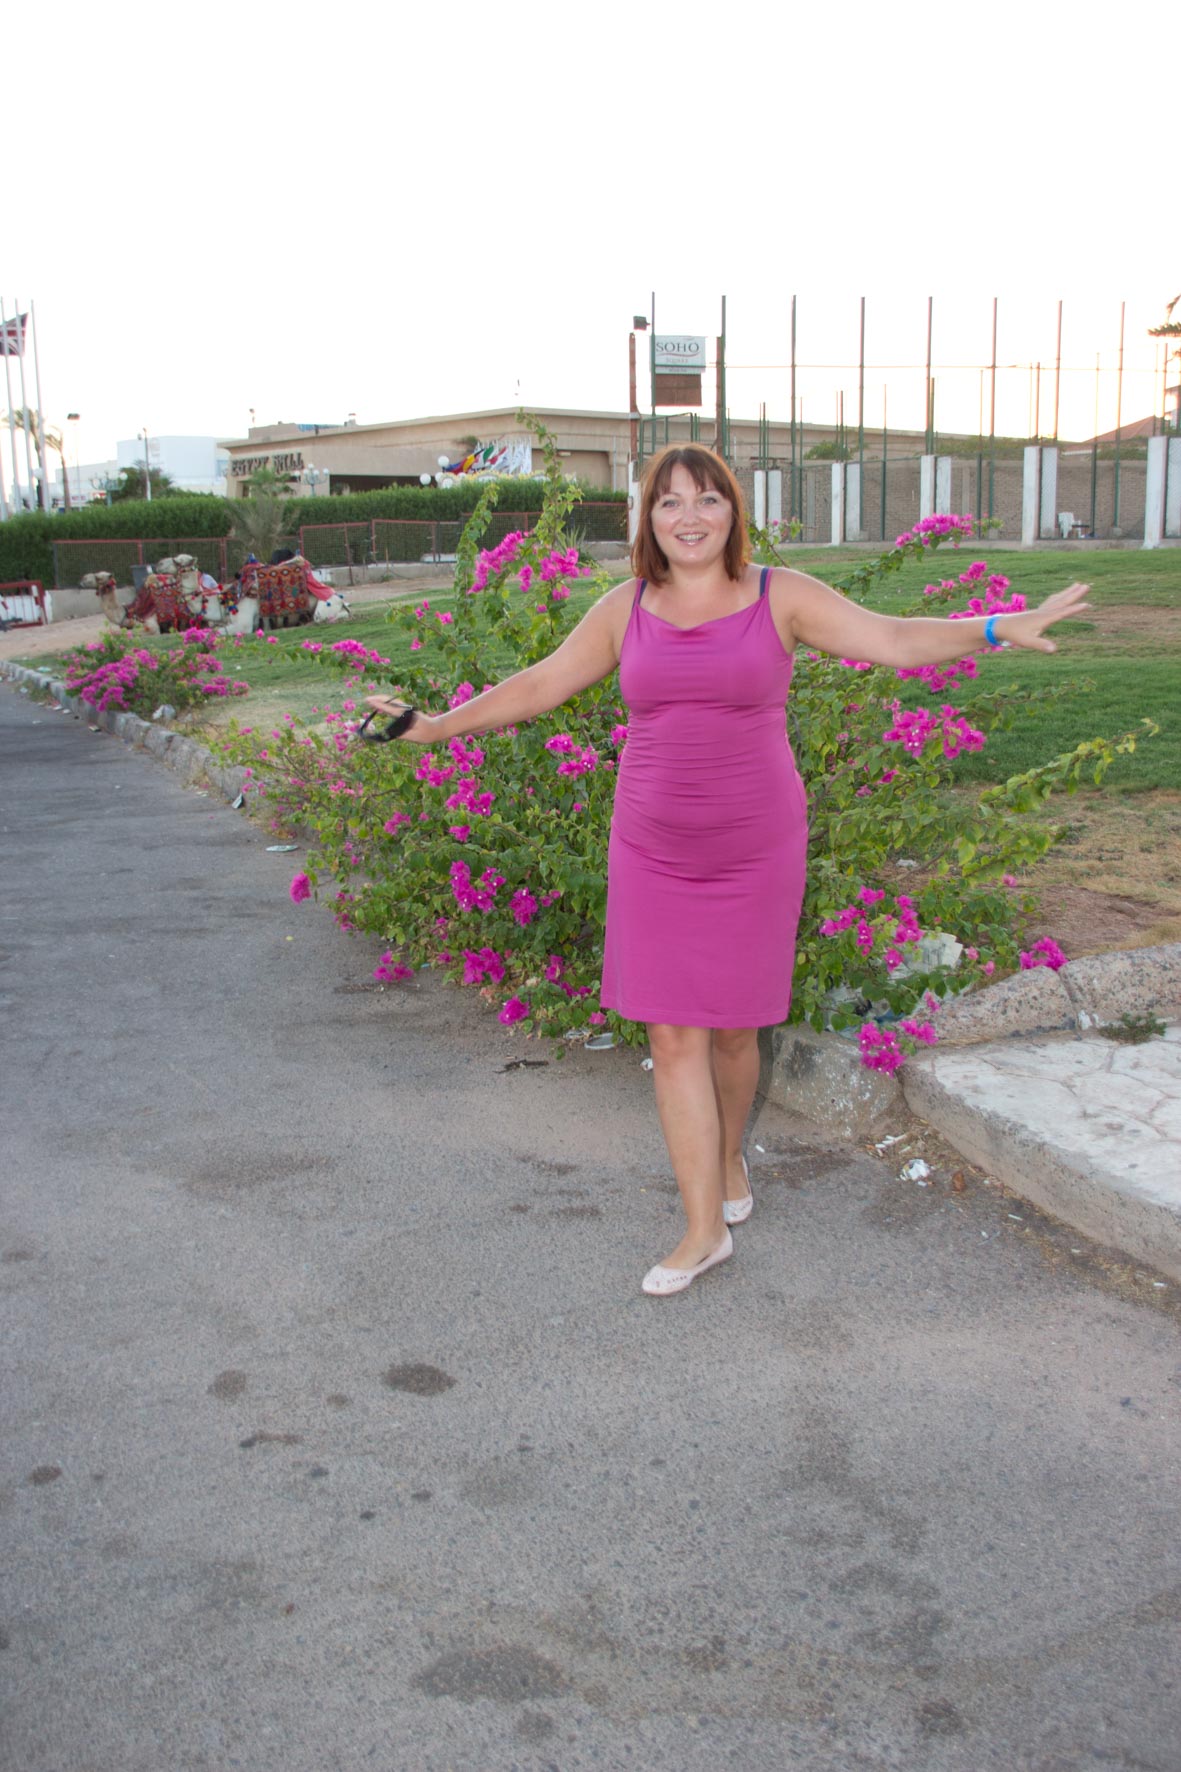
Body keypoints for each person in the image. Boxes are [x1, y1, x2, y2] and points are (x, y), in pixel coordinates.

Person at [366, 446, 1089, 1297]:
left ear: (731, 512)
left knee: (737, 1033)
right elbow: (542, 684)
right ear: (648, 518)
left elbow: (891, 640)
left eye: (707, 499)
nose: (689, 517)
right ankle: (702, 1228)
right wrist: (436, 727)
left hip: (754, 847)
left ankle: (729, 1156)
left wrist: (997, 626)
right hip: (650, 848)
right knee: (672, 1034)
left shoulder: (779, 596)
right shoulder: (623, 608)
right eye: (669, 502)